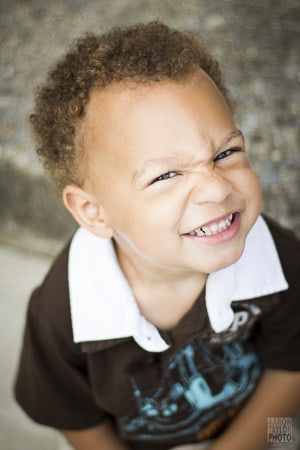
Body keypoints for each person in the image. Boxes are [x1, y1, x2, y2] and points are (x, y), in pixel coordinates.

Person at [14, 21, 300, 450]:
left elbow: (290, 369)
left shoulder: (277, 257)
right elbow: (74, 421)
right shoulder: (62, 312)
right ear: (94, 212)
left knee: (287, 434)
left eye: (226, 153)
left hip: (259, 422)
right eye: (166, 174)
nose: (219, 188)